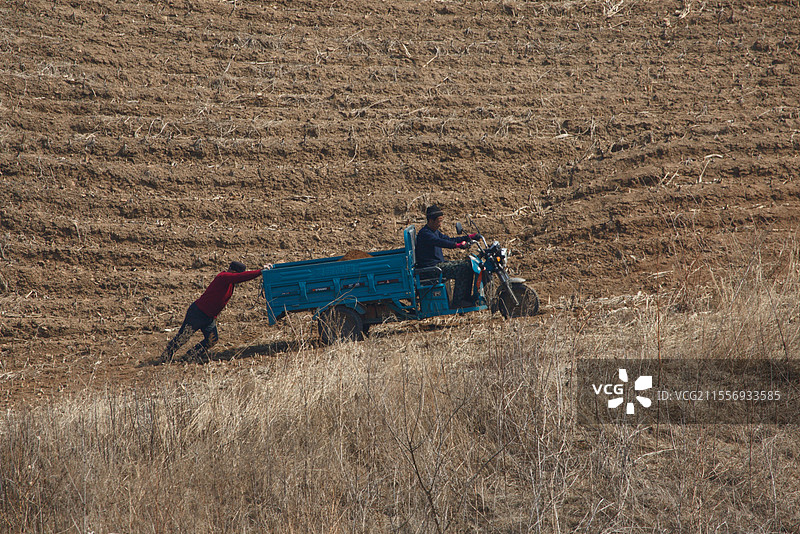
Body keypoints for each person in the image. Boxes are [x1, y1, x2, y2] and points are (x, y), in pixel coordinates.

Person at [159, 261, 270, 363]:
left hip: (209, 317)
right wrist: (260, 271)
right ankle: (165, 357)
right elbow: (241, 277)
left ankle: (190, 356)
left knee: (212, 340)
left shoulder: (230, 282)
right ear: (234, 272)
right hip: (198, 313)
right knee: (183, 337)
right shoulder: (223, 277)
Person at [415, 205, 479, 308]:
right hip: (431, 269)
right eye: (438, 221)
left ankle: (466, 298)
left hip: (437, 266)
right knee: (462, 268)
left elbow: (448, 239)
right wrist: (457, 245)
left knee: (468, 265)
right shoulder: (425, 234)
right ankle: (458, 302)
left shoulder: (434, 231)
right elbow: (440, 242)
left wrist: (469, 237)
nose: (440, 224)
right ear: (431, 220)